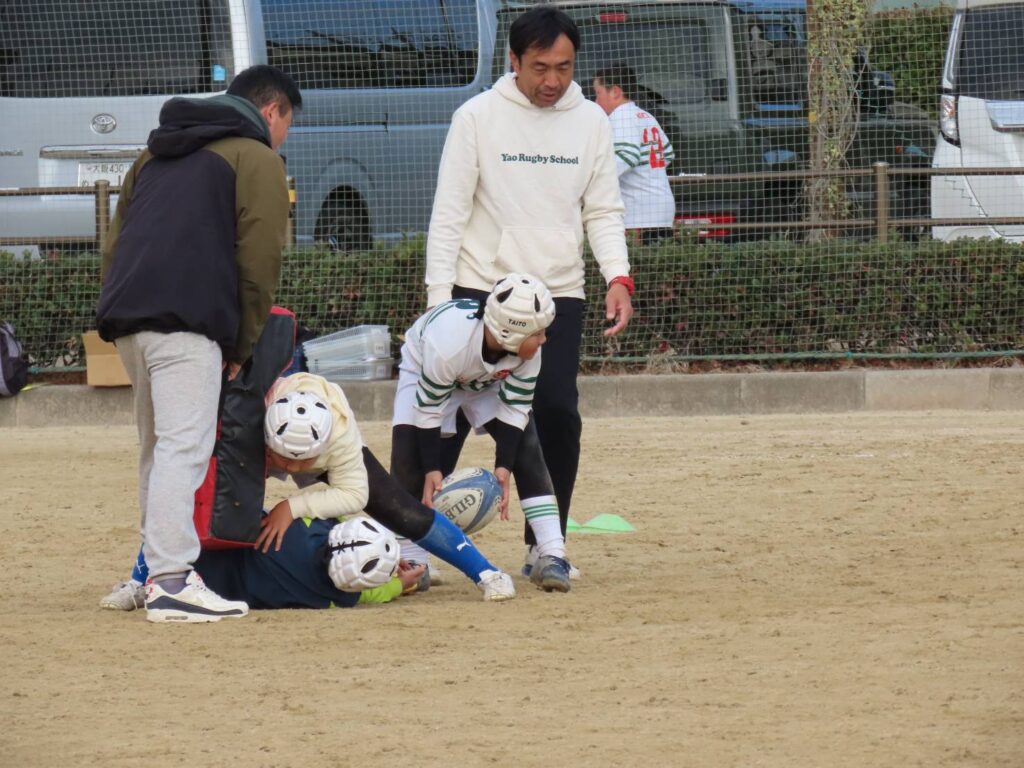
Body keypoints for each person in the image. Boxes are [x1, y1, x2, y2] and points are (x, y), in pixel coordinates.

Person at [424, 5, 634, 578]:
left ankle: (546, 545)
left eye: (564, 67)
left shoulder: (591, 122)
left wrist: (617, 276)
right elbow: (448, 213)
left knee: (558, 414)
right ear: (514, 60)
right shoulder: (476, 117)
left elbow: (603, 210)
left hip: (557, 294)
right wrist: (439, 301)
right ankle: (412, 541)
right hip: (478, 290)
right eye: (540, 67)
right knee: (445, 418)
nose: (552, 80)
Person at [95, 64, 301, 623]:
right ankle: (171, 581)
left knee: (158, 449)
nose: (283, 138)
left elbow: (115, 244)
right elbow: (261, 257)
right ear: (272, 111)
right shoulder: (256, 157)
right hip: (189, 322)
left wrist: (118, 312)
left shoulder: (152, 154)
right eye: (287, 125)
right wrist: (242, 341)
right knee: (183, 449)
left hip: (130, 318)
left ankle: (152, 574)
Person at [101, 372, 516, 612]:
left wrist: (293, 505)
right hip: (253, 448)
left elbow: (353, 496)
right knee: (194, 496)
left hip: (320, 454)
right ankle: (141, 581)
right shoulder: (251, 417)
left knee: (400, 510)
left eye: (301, 464)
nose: (292, 470)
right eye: (285, 461)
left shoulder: (341, 435)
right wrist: (267, 465)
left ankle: (486, 572)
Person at [391, 273, 572, 593]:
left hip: (485, 383)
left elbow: (516, 408)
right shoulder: (447, 344)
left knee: (527, 447)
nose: (544, 339)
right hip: (425, 368)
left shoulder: (527, 350)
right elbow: (429, 409)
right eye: (538, 333)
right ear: (510, 333)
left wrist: (503, 465)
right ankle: (412, 559)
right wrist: (431, 468)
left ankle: (552, 553)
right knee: (409, 460)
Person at [592, 64, 677, 244]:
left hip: (638, 213)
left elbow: (628, 155)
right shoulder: (645, 115)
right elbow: (667, 154)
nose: (596, 101)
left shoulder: (620, 117)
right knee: (660, 260)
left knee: (635, 261)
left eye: (598, 93)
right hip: (662, 208)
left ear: (615, 91)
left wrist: (594, 180)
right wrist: (647, 174)